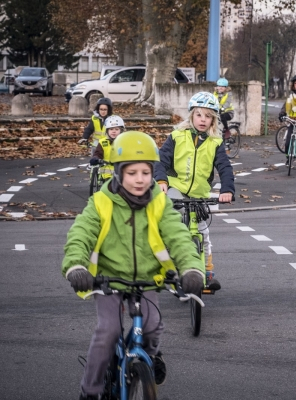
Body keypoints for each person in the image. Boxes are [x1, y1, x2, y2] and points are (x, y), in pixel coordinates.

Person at [62, 131, 205, 399]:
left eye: (145, 172)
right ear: (117, 173)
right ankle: (90, 391)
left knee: (152, 327)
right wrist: (76, 267)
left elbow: (179, 237)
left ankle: (146, 360)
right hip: (108, 281)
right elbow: (80, 234)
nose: (140, 179)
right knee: (109, 332)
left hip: (149, 280)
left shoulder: (159, 203)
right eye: (132, 173)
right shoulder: (101, 203)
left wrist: (192, 269)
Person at [154, 91, 235, 291]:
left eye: (208, 116)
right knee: (171, 225)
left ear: (213, 120)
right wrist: (161, 180)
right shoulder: (176, 136)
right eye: (199, 115)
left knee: (203, 233)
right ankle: (166, 265)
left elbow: (224, 167)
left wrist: (227, 189)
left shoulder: (215, 143)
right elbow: (160, 161)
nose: (203, 120)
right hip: (175, 189)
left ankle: (207, 272)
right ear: (191, 116)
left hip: (198, 194)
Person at [90, 115, 125, 180]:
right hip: (106, 175)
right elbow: (98, 153)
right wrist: (96, 158)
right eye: (111, 129)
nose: (114, 131)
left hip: (122, 174)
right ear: (107, 131)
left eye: (116, 129)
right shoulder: (103, 142)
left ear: (121, 130)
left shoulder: (124, 142)